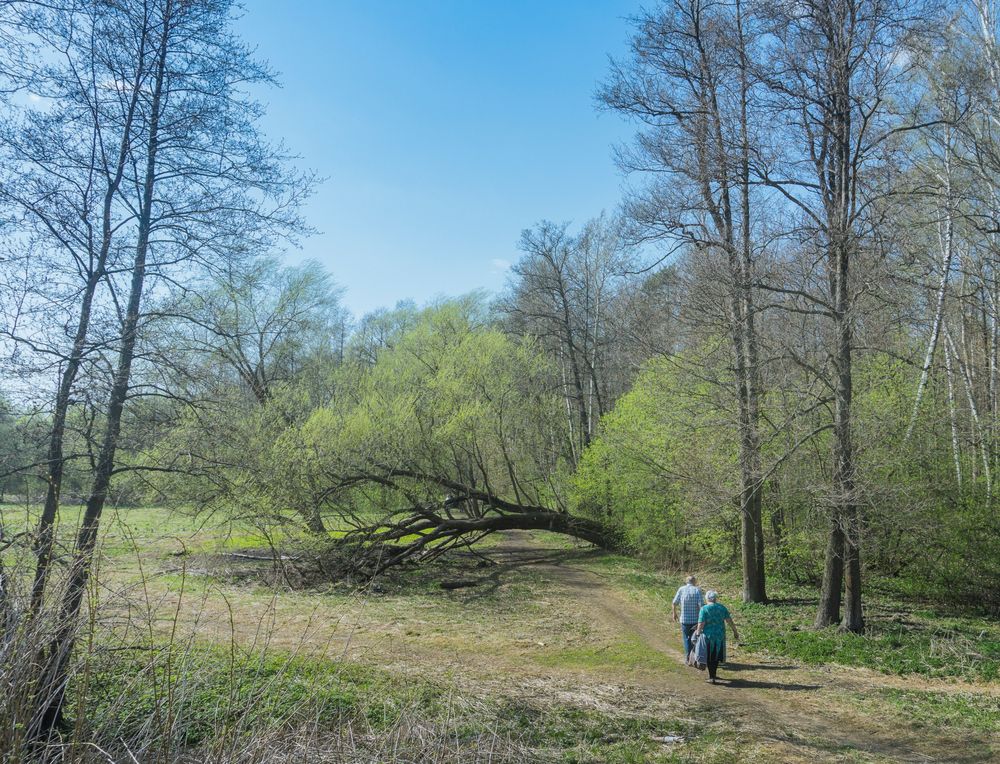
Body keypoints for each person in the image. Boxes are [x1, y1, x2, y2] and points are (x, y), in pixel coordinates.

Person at [694, 590, 740, 684]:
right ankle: (713, 674)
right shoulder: (722, 608)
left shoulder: (704, 609)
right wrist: (735, 631)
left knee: (709, 656)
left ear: (707, 598)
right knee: (716, 656)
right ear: (715, 598)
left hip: (708, 636)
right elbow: (729, 620)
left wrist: (698, 633)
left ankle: (711, 677)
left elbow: (701, 623)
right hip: (719, 636)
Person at [671, 575, 704, 659]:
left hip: (684, 619)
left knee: (686, 639)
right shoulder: (697, 590)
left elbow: (674, 602)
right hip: (695, 620)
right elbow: (701, 605)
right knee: (695, 639)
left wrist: (674, 613)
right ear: (694, 581)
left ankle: (688, 657)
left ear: (686, 581)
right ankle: (695, 657)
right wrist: (703, 618)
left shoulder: (681, 589)